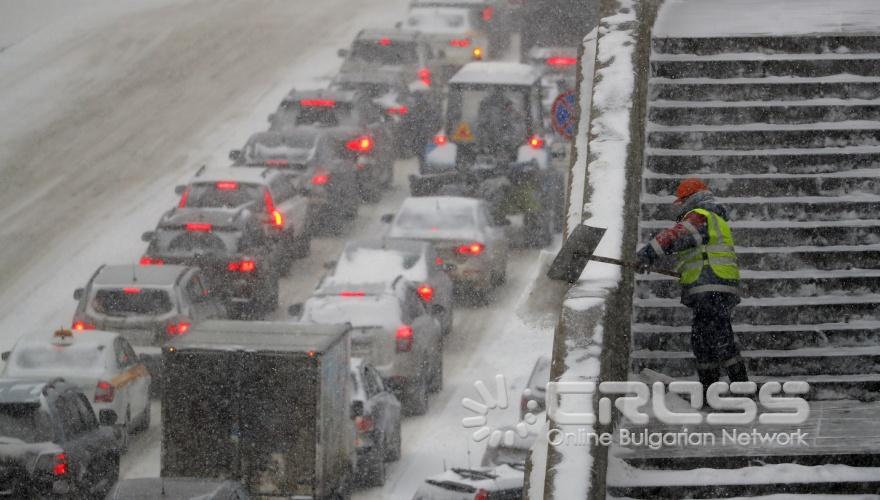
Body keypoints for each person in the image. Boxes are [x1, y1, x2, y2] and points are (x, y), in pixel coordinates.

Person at [635, 178, 749, 395]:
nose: (679, 206)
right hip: (715, 285)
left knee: (715, 340)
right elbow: (698, 251)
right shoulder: (712, 216)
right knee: (707, 340)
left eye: (681, 201)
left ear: (689, 198)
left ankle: (736, 390)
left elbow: (675, 237)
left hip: (711, 286)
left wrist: (646, 255)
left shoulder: (701, 215)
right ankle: (718, 391)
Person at [476, 87, 525, 156]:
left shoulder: (486, 103)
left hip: (496, 139)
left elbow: (481, 120)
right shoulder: (506, 103)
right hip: (498, 139)